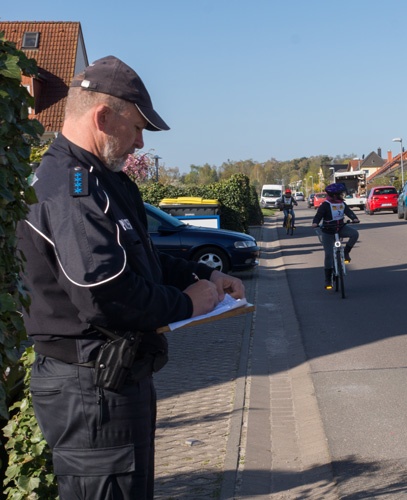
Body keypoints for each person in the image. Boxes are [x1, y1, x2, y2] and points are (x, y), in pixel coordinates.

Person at [15, 55, 245, 499]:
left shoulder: (105, 181)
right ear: (102, 117)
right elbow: (104, 293)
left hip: (111, 381)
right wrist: (187, 304)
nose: (141, 143)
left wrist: (203, 277)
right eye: (137, 127)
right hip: (90, 388)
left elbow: (140, 259)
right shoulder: (70, 186)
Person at [311, 182, 360, 289]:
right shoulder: (325, 205)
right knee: (328, 255)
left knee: (354, 234)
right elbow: (318, 216)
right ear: (334, 195)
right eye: (340, 194)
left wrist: (354, 218)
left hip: (341, 228)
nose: (342, 195)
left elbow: (349, 212)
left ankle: (346, 252)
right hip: (328, 231)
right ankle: (328, 279)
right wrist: (315, 223)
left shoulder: (342, 203)